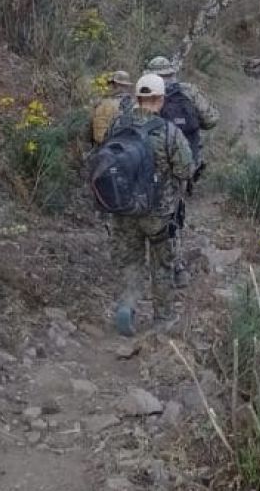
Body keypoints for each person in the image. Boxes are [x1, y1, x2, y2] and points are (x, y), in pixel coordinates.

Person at [101, 74, 193, 336]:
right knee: (161, 265)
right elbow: (186, 169)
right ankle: (163, 319)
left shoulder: (117, 125)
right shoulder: (168, 132)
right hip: (158, 213)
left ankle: (127, 308)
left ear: (137, 98)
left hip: (123, 209)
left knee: (129, 261)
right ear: (161, 99)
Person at [142, 56, 219, 187]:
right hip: (189, 157)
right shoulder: (188, 91)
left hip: (156, 162)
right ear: (172, 73)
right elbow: (211, 120)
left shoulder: (146, 95)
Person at [89, 70, 134, 146]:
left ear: (116, 84)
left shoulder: (105, 104)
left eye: (111, 84)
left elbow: (99, 136)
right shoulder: (134, 103)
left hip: (108, 148)